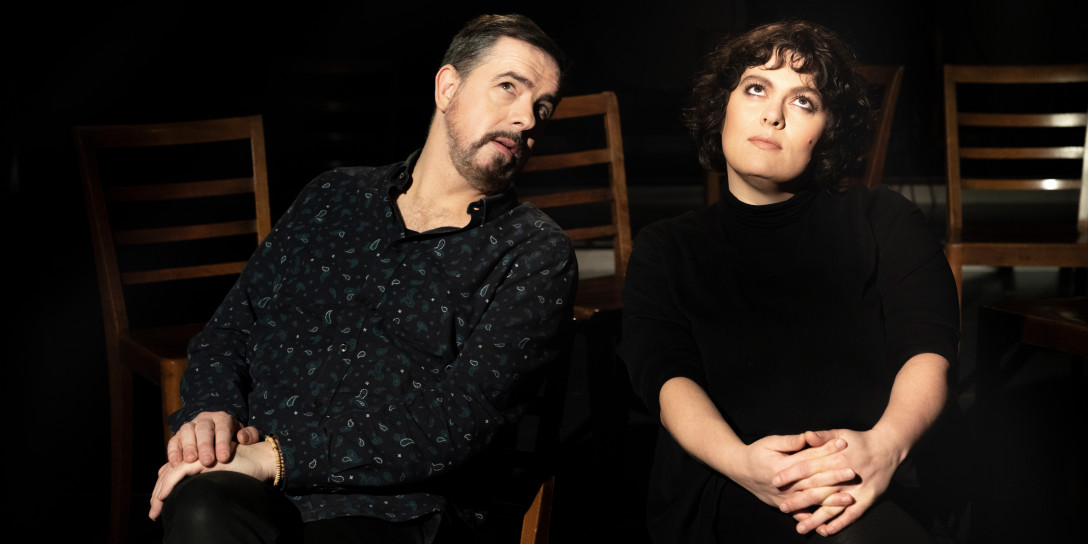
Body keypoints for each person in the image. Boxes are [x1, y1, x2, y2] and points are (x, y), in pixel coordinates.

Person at [148, 13, 577, 544]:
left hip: (397, 509)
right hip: (247, 481)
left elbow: (463, 418)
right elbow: (230, 329)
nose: (526, 119)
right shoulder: (333, 196)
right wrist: (211, 413)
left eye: (542, 107)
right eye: (509, 87)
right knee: (201, 508)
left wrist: (277, 457)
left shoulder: (535, 252)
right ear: (448, 87)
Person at [619, 20, 962, 543]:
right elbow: (666, 379)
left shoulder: (884, 219)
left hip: (875, 470)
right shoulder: (665, 248)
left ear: (828, 131)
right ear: (723, 106)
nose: (773, 114)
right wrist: (745, 465)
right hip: (729, 477)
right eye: (756, 88)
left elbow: (929, 349)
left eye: (804, 101)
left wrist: (884, 447)